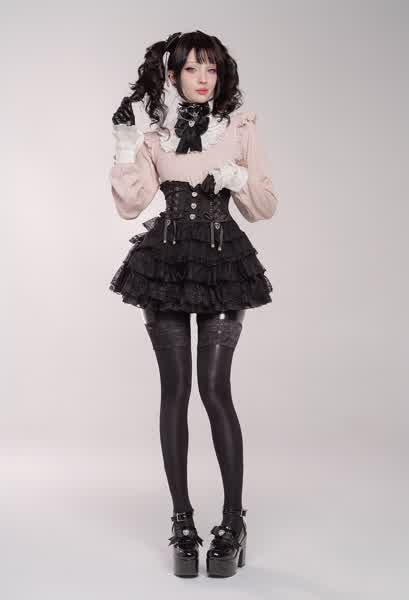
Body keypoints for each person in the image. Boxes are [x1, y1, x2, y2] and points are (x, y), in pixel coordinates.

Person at [109, 30, 278, 578]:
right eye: (191, 69)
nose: (203, 79)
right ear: (173, 75)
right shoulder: (156, 137)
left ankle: (233, 521)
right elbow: (131, 205)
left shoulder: (240, 129)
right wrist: (125, 147)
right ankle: (182, 521)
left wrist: (238, 179)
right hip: (164, 266)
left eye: (211, 69)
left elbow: (265, 206)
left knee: (214, 389)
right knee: (174, 392)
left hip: (223, 264)